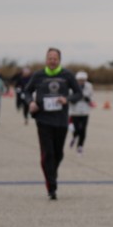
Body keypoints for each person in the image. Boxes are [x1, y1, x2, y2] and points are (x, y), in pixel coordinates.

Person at [25, 48, 83, 199]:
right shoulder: (38, 75)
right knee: (48, 153)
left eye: (55, 58)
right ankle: (51, 187)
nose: (52, 61)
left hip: (61, 120)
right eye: (49, 58)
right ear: (46, 59)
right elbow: (26, 92)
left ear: (59, 60)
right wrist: (31, 102)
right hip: (43, 119)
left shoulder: (67, 75)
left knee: (58, 153)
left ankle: (52, 173)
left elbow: (78, 94)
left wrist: (67, 99)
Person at [68, 70, 94, 154]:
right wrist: (76, 98)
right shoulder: (72, 86)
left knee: (83, 129)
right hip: (74, 112)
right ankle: (74, 137)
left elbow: (91, 97)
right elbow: (70, 97)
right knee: (76, 129)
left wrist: (87, 99)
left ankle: (80, 146)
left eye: (83, 80)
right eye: (80, 80)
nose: (81, 82)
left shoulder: (89, 86)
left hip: (85, 111)